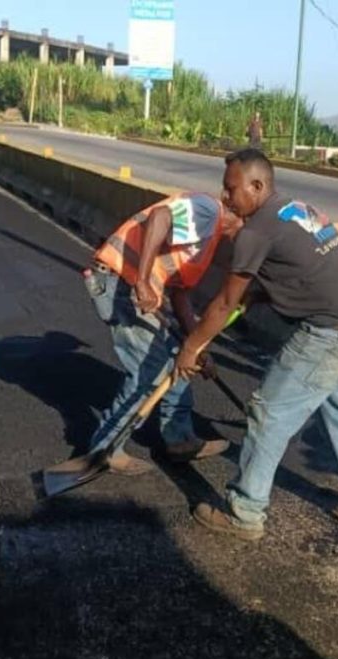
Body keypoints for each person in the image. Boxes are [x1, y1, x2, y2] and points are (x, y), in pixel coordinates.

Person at [174, 149, 338, 540]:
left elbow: (226, 301)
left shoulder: (255, 230)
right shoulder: (295, 209)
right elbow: (299, 275)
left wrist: (191, 347)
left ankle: (244, 513)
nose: (225, 197)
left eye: (231, 189)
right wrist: (252, 299)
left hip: (331, 336)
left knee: (267, 413)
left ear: (257, 185)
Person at [81, 193, 244, 474]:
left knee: (176, 355)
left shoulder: (209, 237)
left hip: (129, 286)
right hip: (122, 284)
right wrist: (142, 281)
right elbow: (161, 217)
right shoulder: (208, 211)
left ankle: (179, 439)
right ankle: (104, 448)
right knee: (150, 370)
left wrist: (195, 347)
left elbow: (180, 295)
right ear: (242, 218)